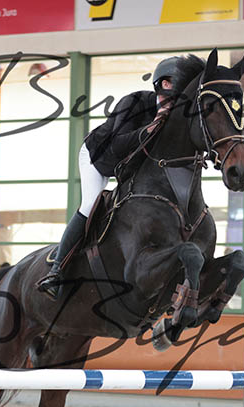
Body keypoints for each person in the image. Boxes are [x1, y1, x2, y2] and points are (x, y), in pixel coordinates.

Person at [37, 55, 189, 299]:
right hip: (98, 157)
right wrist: (148, 129)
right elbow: (117, 145)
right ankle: (57, 271)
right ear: (162, 85)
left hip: (127, 167)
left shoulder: (175, 115)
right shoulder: (134, 102)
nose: (173, 103)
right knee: (91, 203)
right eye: (172, 92)